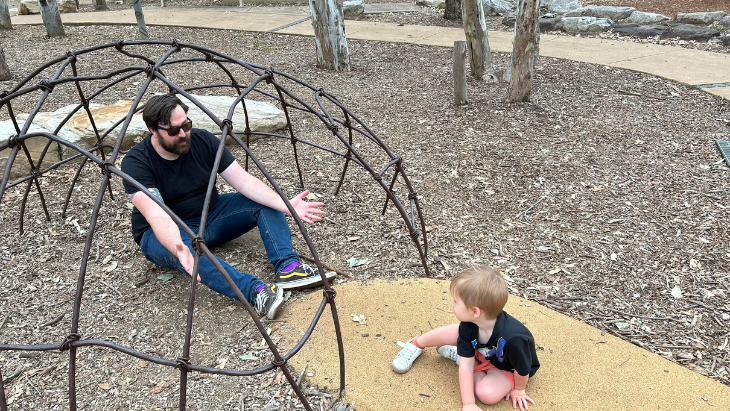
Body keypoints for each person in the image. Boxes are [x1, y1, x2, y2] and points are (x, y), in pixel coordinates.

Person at [121, 94, 335, 320]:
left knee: (266, 202)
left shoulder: (203, 141)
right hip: (168, 231)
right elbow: (156, 212)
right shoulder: (136, 162)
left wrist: (285, 204)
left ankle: (288, 268)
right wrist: (177, 247)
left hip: (212, 214)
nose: (183, 134)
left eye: (186, 125)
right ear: (153, 130)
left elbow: (244, 181)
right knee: (191, 253)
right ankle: (256, 292)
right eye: (174, 131)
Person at [391, 266, 540, 411]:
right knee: (453, 332)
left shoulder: (514, 339)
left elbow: (522, 369)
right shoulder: (469, 324)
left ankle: (463, 355)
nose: (452, 304)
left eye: (456, 301)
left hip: (506, 367)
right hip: (485, 353)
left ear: (475, 311)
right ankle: (417, 344)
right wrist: (468, 403)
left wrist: (519, 390)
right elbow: (465, 366)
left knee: (488, 395)